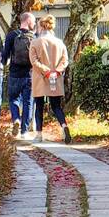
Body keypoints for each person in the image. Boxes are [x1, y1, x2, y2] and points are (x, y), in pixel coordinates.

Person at [28, 15, 72, 143]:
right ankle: (64, 126)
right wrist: (56, 71)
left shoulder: (35, 42)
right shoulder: (59, 42)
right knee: (56, 106)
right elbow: (65, 60)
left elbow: (33, 61)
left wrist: (45, 70)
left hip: (40, 77)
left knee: (39, 106)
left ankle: (39, 134)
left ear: (41, 26)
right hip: (55, 78)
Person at [2, 11, 36, 138]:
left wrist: (3, 64)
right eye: (33, 21)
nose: (34, 23)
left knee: (13, 99)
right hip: (30, 74)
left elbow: (5, 54)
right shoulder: (35, 36)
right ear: (27, 21)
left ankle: (16, 119)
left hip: (14, 73)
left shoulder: (11, 35)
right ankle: (24, 131)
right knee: (28, 102)